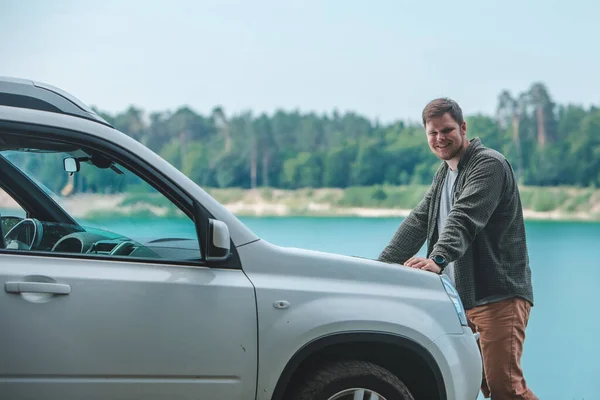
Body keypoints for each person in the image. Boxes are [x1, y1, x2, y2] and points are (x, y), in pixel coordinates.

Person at [378, 98, 537, 400]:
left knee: (506, 389)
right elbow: (417, 222)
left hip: (498, 296)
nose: (440, 138)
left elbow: (464, 216)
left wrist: (437, 258)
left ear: (463, 128)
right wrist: (379, 268)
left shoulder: (488, 165)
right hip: (464, 302)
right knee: (486, 385)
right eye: (433, 133)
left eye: (447, 130)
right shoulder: (444, 174)